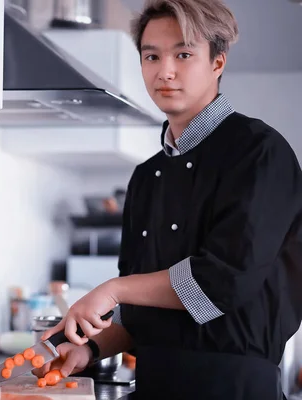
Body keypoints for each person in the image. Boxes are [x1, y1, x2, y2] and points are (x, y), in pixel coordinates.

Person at [37, 0, 302, 398]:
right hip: (155, 386)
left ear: (217, 63)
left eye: (183, 54)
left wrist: (112, 289)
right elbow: (141, 312)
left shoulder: (259, 153)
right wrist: (88, 348)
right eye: (151, 56)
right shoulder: (145, 177)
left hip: (234, 389)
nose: (165, 71)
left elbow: (219, 284)